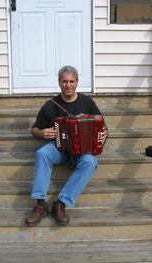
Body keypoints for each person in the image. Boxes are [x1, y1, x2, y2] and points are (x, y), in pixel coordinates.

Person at [25, 65, 108, 226]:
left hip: (82, 151)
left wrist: (104, 135)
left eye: (71, 81)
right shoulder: (51, 105)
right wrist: (40, 133)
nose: (68, 85)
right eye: (64, 81)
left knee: (91, 162)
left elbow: (102, 127)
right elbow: (35, 128)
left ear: (77, 82)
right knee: (42, 154)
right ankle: (40, 204)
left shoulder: (87, 102)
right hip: (59, 149)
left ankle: (61, 204)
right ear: (59, 83)